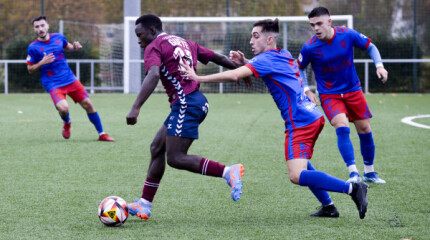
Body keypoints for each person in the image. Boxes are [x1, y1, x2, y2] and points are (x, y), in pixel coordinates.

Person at [181, 18, 368, 219]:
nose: (251, 41)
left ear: (269, 39)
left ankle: (352, 189)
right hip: (311, 116)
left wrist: (198, 78)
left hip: (300, 122)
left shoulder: (266, 60)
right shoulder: (283, 54)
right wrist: (245, 62)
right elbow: (264, 68)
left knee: (296, 175)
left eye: (256, 36)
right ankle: (329, 207)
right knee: (302, 164)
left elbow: (235, 76)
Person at [125, 14, 248, 221]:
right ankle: (144, 205)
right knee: (157, 147)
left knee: (176, 157)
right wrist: (240, 70)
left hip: (186, 103)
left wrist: (135, 107)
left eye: (140, 35)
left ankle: (228, 171)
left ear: (152, 31)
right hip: (192, 102)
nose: (139, 40)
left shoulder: (154, 46)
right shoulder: (184, 42)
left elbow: (153, 75)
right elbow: (216, 57)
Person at [297, 7, 388, 183]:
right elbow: (298, 67)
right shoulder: (309, 47)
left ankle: (369, 172)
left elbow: (371, 46)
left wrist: (379, 65)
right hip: (329, 95)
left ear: (329, 22)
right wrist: (306, 89)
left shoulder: (347, 34)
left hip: (353, 90)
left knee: (364, 129)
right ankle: (353, 173)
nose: (316, 28)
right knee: (342, 126)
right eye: (312, 25)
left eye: (319, 24)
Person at [26, 16, 114, 142]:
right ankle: (67, 122)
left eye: (42, 25)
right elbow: (30, 69)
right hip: (52, 83)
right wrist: (42, 62)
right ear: (34, 29)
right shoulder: (33, 47)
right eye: (37, 27)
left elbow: (69, 47)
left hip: (69, 78)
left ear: (48, 26)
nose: (40, 29)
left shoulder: (59, 37)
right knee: (63, 108)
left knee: (88, 104)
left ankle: (102, 134)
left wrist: (75, 47)